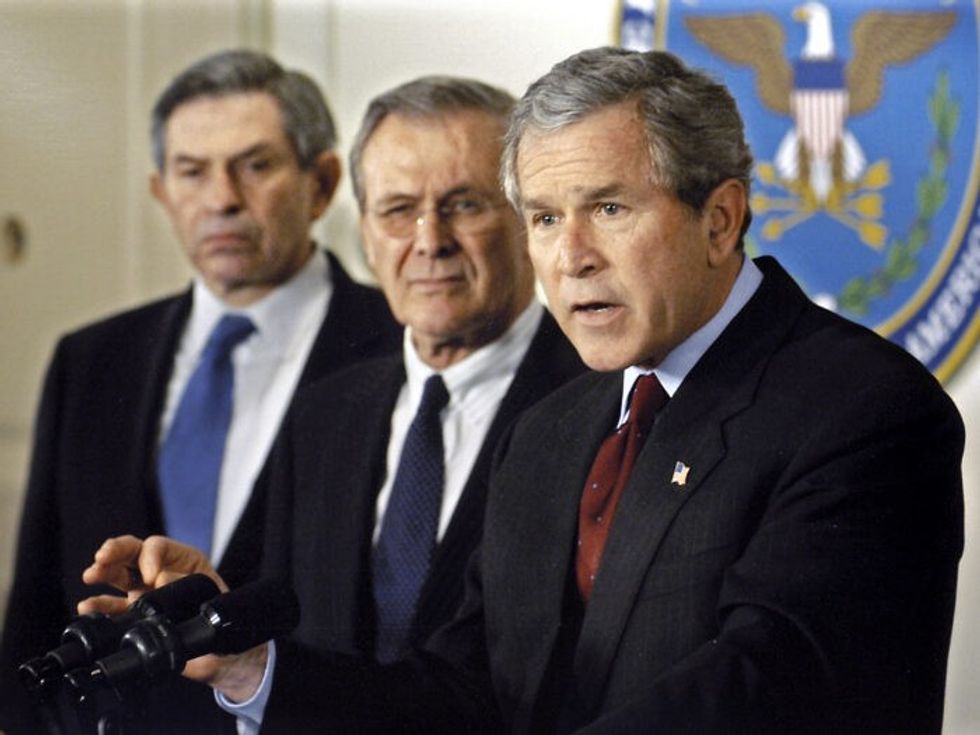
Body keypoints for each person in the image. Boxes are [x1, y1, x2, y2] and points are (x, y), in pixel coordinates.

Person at [81, 47, 964, 734]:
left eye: (609, 208)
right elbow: (470, 694)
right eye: (544, 217)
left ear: (720, 218)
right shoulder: (554, 430)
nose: (571, 256)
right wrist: (247, 660)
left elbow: (765, 689)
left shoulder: (862, 408)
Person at [0, 49, 400, 733]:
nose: (221, 199)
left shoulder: (401, 345)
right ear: (162, 192)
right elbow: (36, 604)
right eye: (192, 171)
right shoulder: (90, 359)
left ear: (322, 182)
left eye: (255, 165)